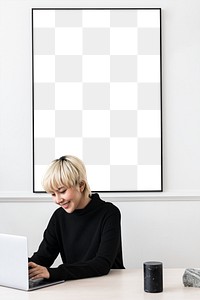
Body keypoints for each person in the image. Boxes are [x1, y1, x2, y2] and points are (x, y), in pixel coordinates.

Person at [29, 155, 124, 281]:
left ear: (81, 186)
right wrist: (22, 266)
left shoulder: (109, 213)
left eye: (62, 191)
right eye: (53, 194)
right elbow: (42, 258)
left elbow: (102, 264)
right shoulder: (59, 217)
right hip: (75, 285)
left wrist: (53, 273)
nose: (58, 200)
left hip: (109, 284)